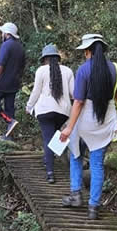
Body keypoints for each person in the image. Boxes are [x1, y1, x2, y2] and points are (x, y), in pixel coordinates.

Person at [59, 34, 117, 220]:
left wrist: (69, 128)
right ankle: (93, 208)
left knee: (76, 155)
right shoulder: (115, 69)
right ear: (102, 50)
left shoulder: (83, 70)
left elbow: (79, 102)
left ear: (87, 51)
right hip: (107, 121)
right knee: (97, 164)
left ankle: (76, 195)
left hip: (84, 122)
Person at [26, 44, 74, 183]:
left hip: (44, 110)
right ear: (57, 58)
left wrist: (29, 106)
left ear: (44, 59)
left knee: (48, 138)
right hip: (63, 112)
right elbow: (73, 93)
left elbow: (36, 91)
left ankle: (50, 172)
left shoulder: (41, 70)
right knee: (54, 135)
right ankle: (49, 159)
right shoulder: (68, 71)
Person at [0, 22, 26, 141]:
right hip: (14, 83)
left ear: (7, 34)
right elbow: (22, 67)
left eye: (3, 32)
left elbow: (1, 65)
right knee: (9, 108)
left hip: (3, 82)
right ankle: (9, 136)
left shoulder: (6, 45)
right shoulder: (20, 47)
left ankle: (9, 121)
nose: (2, 34)